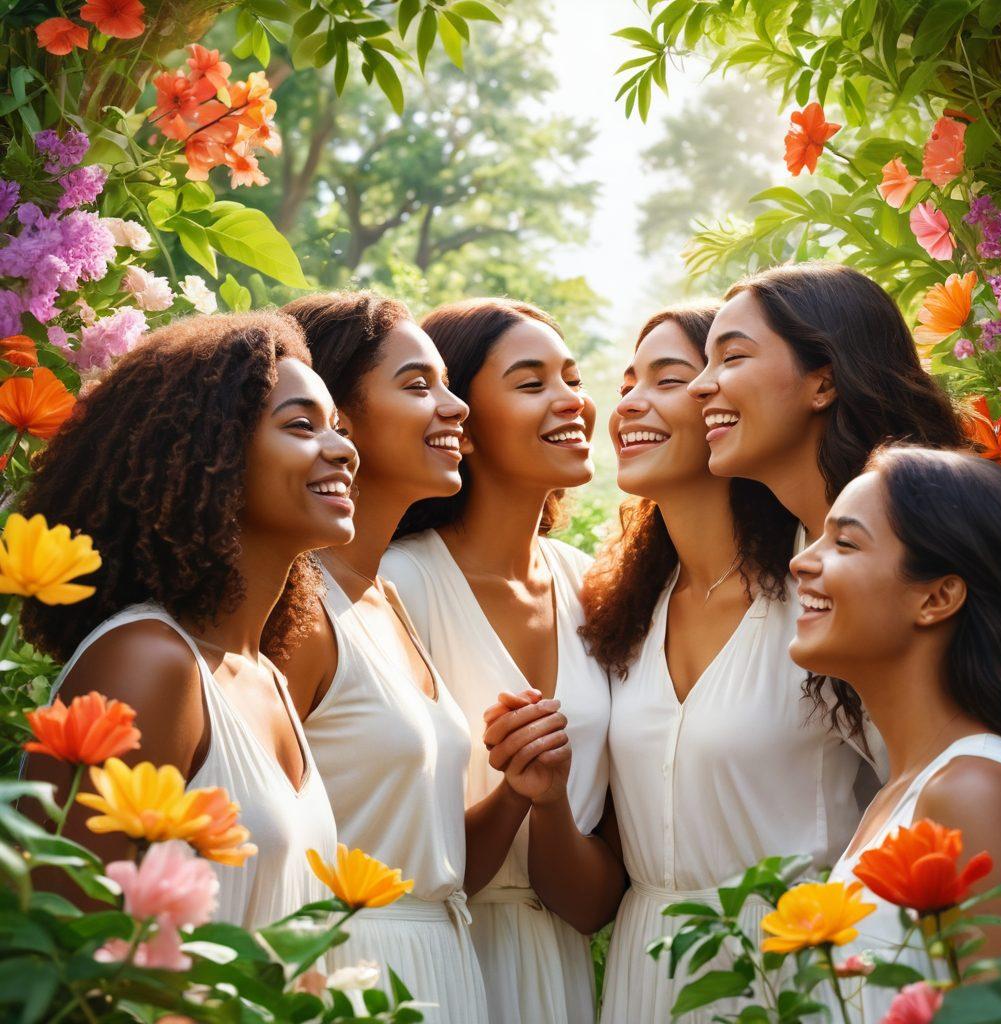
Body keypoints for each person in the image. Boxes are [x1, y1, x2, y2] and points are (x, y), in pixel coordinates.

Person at [276, 291, 570, 1024]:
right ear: (335, 413)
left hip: (443, 965)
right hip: (349, 976)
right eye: (418, 385)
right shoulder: (298, 613)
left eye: (448, 383)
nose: (456, 407)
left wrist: (516, 790)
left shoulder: (386, 602)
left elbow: (436, 869)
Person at [579, 306, 877, 1024]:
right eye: (627, 382)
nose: (629, 405)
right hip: (648, 968)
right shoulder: (622, 611)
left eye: (669, 378)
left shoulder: (822, 589)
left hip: (796, 965)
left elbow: (918, 781)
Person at [22, 311, 349, 928]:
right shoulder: (147, 662)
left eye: (338, 427)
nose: (342, 449)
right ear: (211, 451)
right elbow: (71, 944)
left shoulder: (266, 676)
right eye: (303, 426)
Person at [381, 297, 617, 1024]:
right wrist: (512, 794)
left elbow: (592, 907)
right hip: (428, 961)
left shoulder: (594, 588)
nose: (571, 399)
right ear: (460, 418)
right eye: (531, 381)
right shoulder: (396, 586)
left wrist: (546, 804)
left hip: (560, 974)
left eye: (572, 377)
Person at [791, 446, 1001, 1021]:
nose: (802, 563)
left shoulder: (974, 790)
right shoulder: (908, 789)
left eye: (845, 543)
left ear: (937, 597)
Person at [688, 262, 965, 542]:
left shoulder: (926, 540)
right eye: (706, 361)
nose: (696, 386)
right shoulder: (780, 552)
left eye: (732, 357)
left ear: (825, 384)